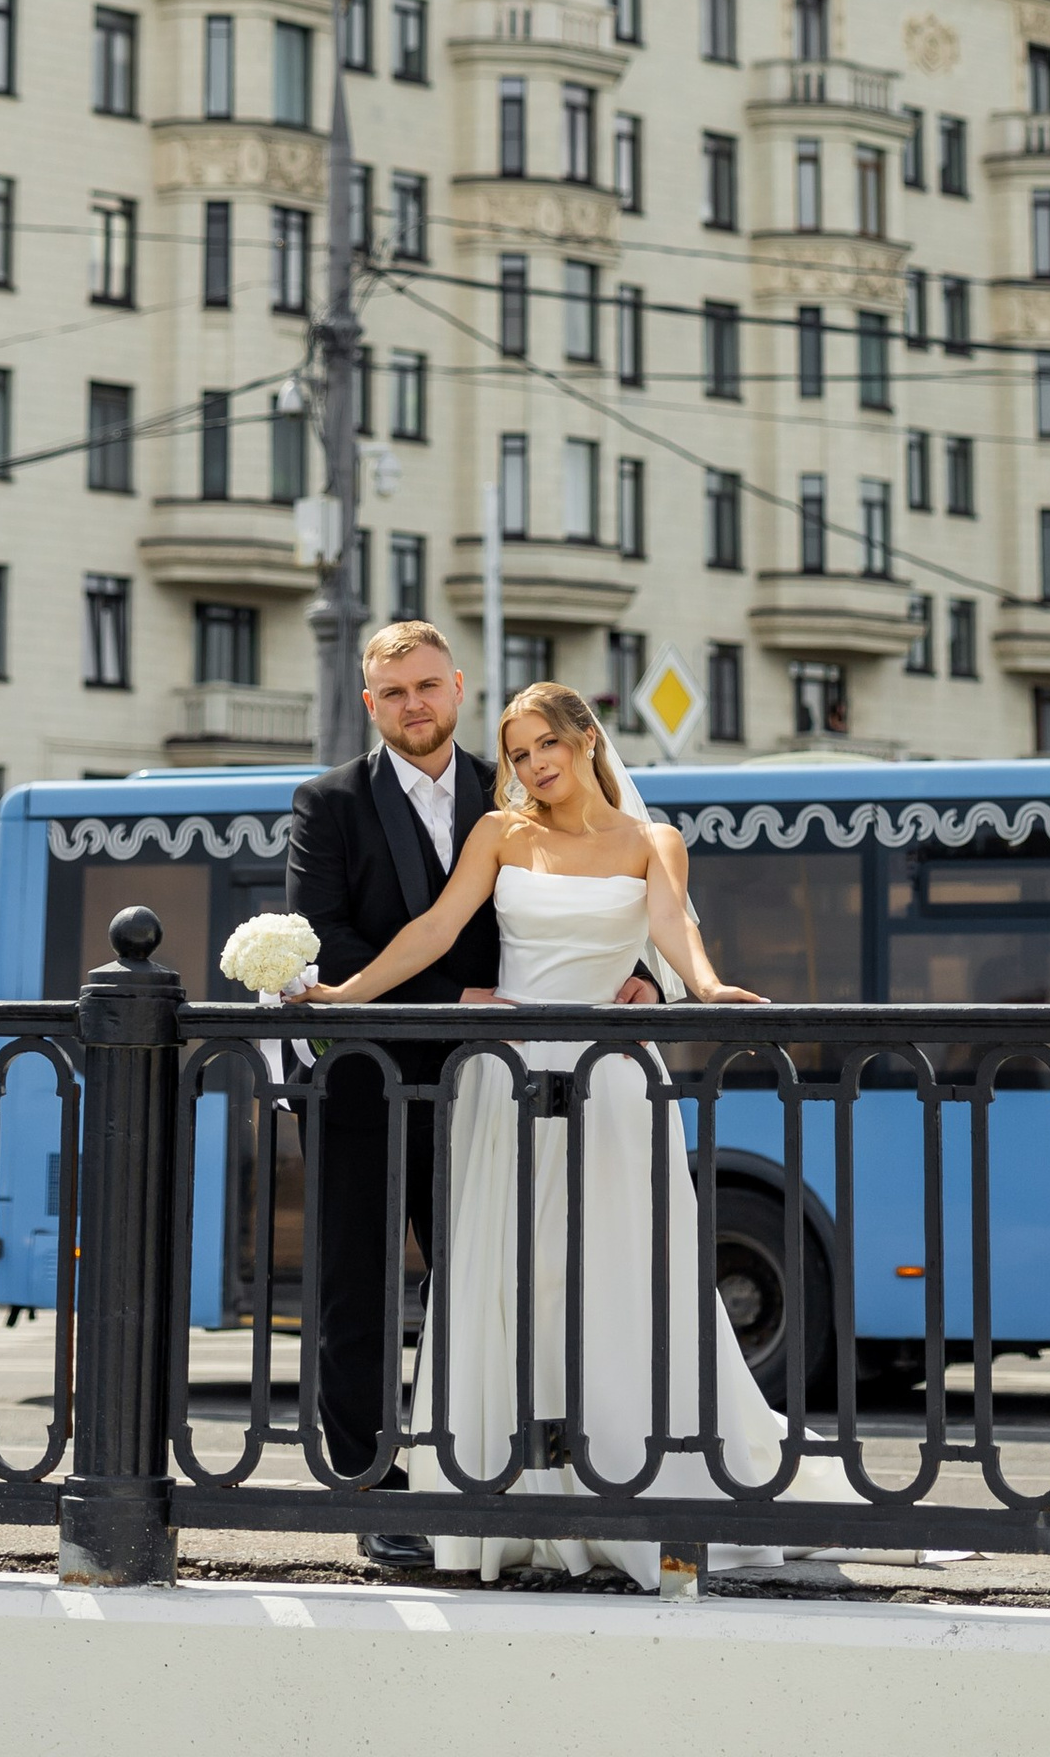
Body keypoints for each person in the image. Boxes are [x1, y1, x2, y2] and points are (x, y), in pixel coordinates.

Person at [305, 678, 794, 1589]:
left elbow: (672, 933)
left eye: (545, 746)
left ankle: (631, 1485)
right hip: (508, 1081)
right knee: (508, 1271)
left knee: (621, 1271)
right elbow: (434, 930)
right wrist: (345, 993)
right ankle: (510, 1491)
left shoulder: (656, 842)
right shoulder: (499, 833)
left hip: (612, 1082)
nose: (532, 765)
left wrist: (704, 985)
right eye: (520, 752)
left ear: (587, 741)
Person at [283, 620, 503, 1565]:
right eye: (394, 693)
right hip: (360, 1079)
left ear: (459, 688)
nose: (414, 705)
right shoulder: (328, 801)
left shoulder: (516, 790)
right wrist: (450, 994)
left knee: (488, 1276)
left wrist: (641, 982)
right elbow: (322, 933)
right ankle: (372, 1485)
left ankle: (480, 1465)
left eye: (428, 686)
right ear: (371, 704)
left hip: (488, 1085)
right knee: (357, 1289)